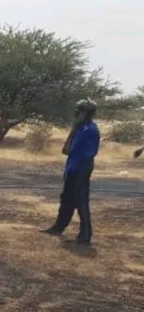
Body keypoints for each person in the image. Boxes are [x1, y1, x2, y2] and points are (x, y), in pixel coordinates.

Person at [41, 99, 101, 245]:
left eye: (79, 110)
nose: (75, 112)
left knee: (81, 202)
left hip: (81, 169)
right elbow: (66, 150)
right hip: (72, 168)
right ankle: (59, 227)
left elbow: (89, 154)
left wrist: (82, 172)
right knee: (66, 199)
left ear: (86, 113)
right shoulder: (79, 128)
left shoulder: (91, 129)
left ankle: (85, 235)